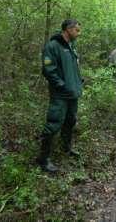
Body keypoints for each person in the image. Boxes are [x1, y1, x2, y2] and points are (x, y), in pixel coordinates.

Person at [37, 19, 83, 173]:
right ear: (68, 29)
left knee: (71, 121)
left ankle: (66, 148)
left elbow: (73, 69)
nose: (78, 33)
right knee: (53, 123)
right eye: (77, 30)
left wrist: (78, 82)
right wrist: (63, 86)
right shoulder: (53, 46)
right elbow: (49, 70)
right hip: (60, 95)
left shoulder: (72, 47)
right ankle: (43, 159)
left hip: (73, 94)